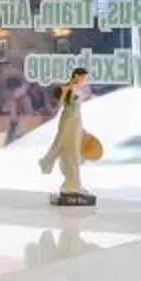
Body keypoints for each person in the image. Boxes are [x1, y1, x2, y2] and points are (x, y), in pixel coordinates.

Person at [45, 67, 96, 206]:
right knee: (70, 153)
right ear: (76, 76)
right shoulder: (68, 88)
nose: (84, 80)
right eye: (83, 77)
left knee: (75, 153)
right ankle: (72, 185)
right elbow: (60, 103)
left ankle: (73, 184)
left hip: (76, 121)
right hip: (69, 122)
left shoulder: (78, 89)